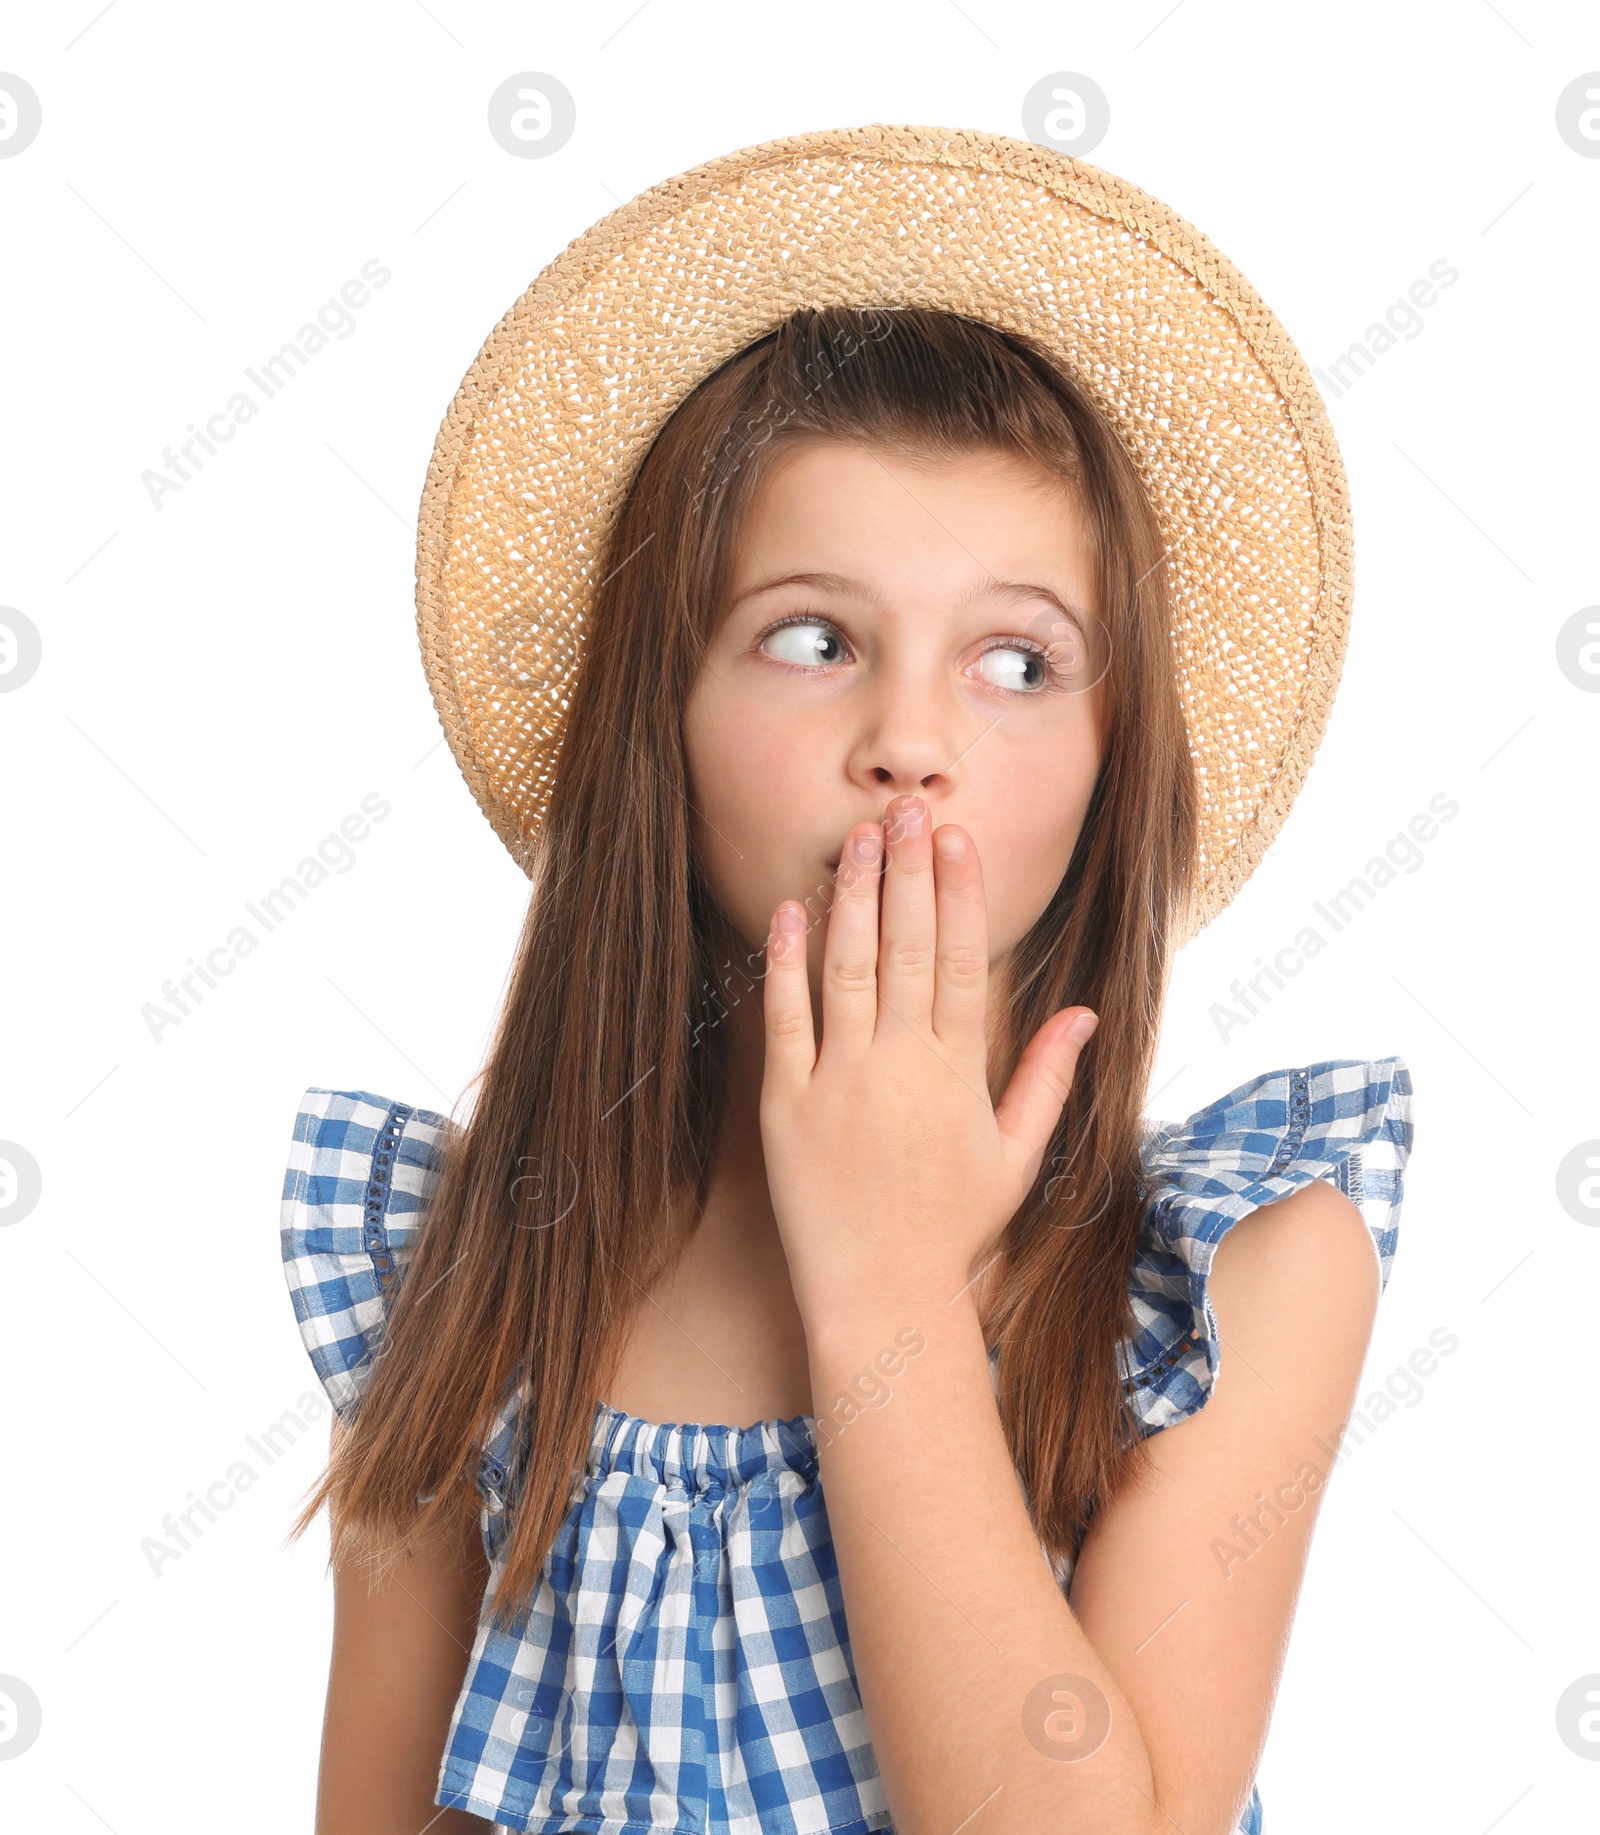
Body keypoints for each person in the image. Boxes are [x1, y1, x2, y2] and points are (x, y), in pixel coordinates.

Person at [279, 128, 1414, 1835]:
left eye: (1017, 662)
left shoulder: (1239, 1271)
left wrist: (885, 1280)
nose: (909, 745)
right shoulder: (479, 1266)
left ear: (1118, 761)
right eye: (812, 638)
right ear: (657, 722)